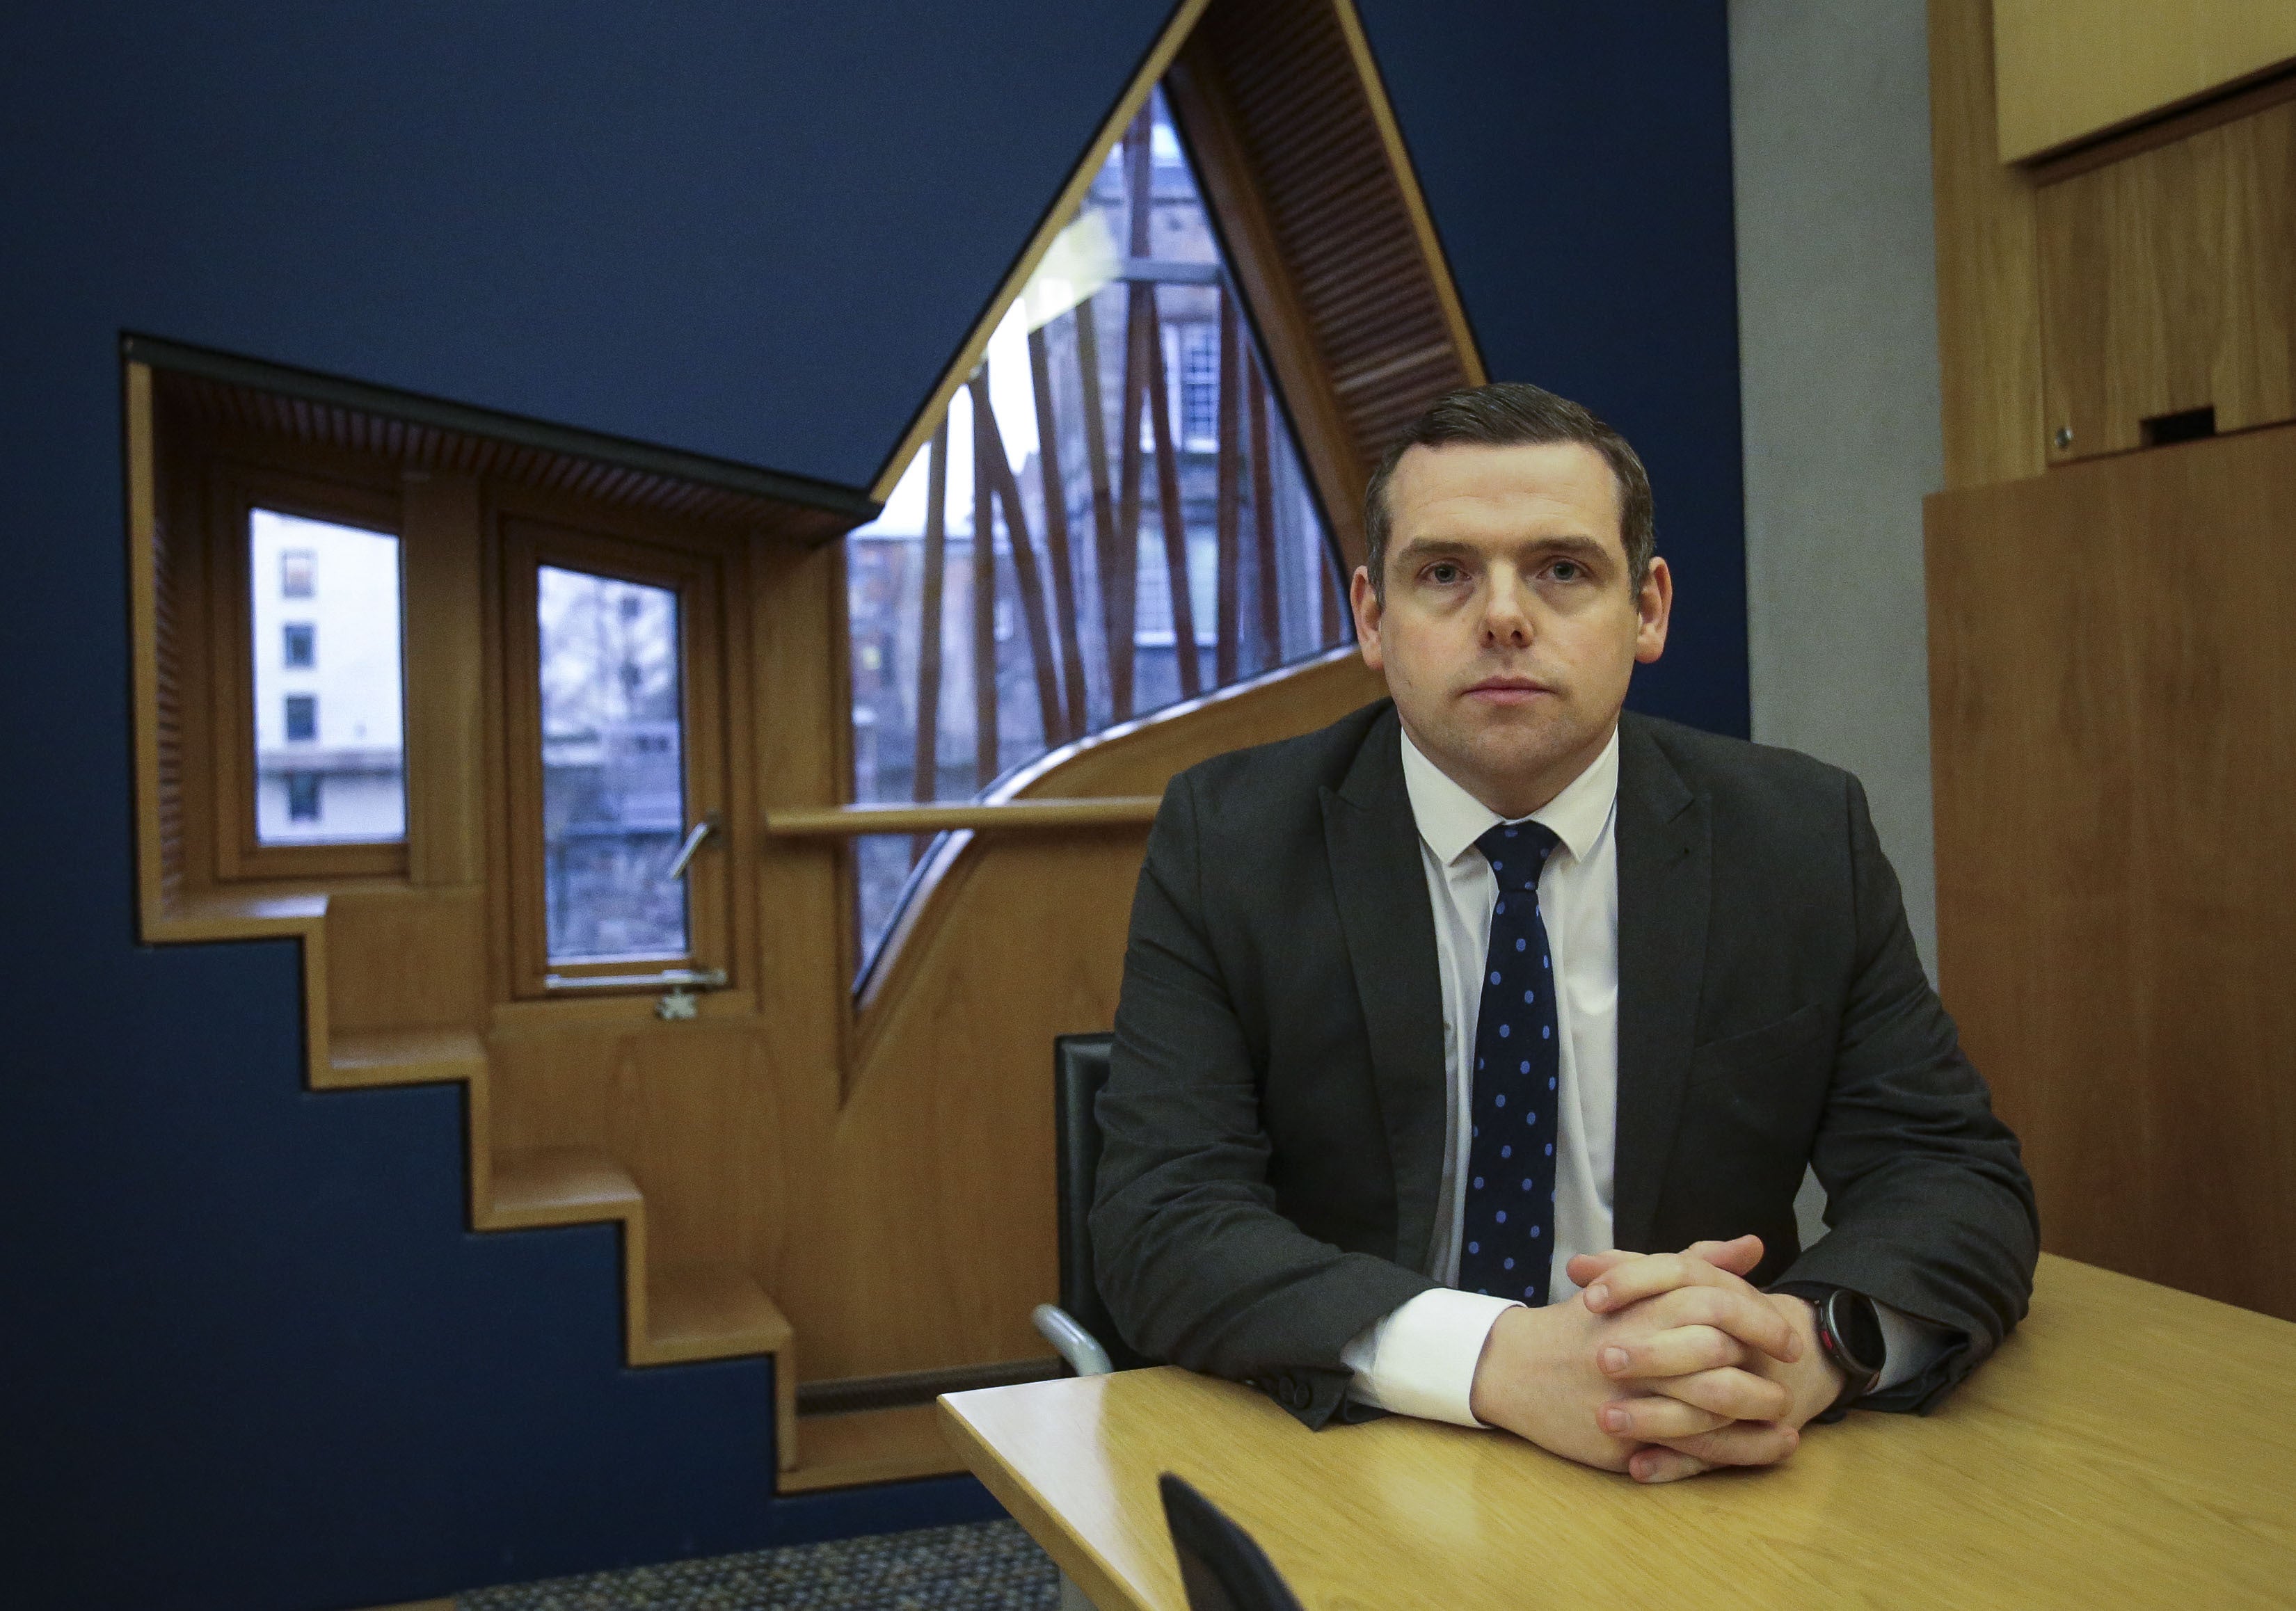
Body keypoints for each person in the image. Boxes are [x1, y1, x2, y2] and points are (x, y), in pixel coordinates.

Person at [1090, 383, 2037, 1484]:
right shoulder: (1230, 839)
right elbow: (1162, 1219)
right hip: (1357, 1456)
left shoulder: (1798, 836)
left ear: (1647, 610)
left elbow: (1951, 1176)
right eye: (1444, 573)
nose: (1502, 616)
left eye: (1562, 571)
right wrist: (1496, 1360)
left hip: (1700, 1463)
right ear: (1370, 616)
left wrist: (1806, 1350)